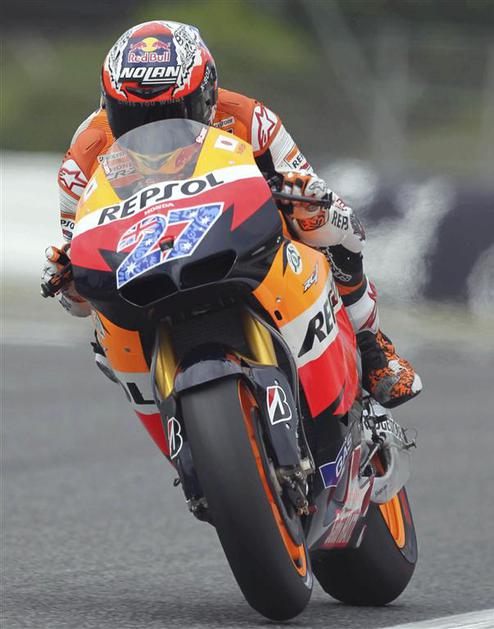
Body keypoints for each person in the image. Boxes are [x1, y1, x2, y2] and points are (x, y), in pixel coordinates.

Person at [42, 20, 421, 434]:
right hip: (147, 257)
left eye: (170, 112)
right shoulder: (86, 152)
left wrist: (301, 195)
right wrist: (69, 278)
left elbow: (308, 185)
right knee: (102, 339)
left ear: (206, 94)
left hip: (241, 234)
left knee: (328, 218)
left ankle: (371, 345)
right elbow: (80, 268)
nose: (152, 128)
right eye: (132, 116)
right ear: (107, 104)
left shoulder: (248, 117)